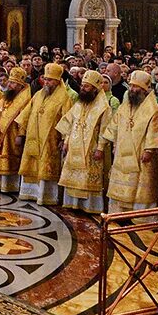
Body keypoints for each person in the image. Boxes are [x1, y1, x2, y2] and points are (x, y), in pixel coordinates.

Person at [102, 69, 158, 213]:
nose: (132, 89)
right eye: (130, 86)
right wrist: (110, 143)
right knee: (120, 185)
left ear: (144, 89)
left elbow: (154, 132)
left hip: (141, 154)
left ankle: (139, 215)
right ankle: (118, 213)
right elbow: (115, 125)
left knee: (140, 187)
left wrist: (149, 150)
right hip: (122, 152)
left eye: (135, 86)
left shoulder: (154, 110)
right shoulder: (125, 105)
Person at [17, 62, 76, 205]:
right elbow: (26, 114)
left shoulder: (65, 98)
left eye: (50, 80)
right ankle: (29, 193)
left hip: (51, 139)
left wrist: (64, 139)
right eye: (45, 79)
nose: (46, 82)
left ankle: (45, 196)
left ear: (57, 81)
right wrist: (21, 133)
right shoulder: (38, 94)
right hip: (33, 137)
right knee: (30, 164)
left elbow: (68, 120)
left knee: (46, 167)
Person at [57, 69, 114, 213]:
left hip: (91, 147)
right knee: (72, 177)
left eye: (86, 86)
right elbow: (71, 123)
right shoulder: (79, 103)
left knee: (88, 178)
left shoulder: (104, 107)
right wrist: (66, 141)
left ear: (95, 89)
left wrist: (100, 148)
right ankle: (72, 203)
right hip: (73, 145)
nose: (82, 88)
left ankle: (88, 206)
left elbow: (105, 129)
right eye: (82, 85)